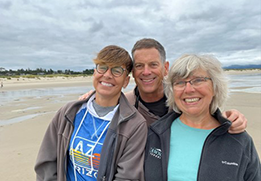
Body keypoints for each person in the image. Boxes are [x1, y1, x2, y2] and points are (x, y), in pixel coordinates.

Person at [35, 45, 148, 181]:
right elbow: (47, 163)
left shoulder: (134, 125)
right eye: (102, 67)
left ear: (126, 81)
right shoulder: (68, 113)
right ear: (95, 72)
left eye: (116, 70)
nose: (107, 75)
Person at [144, 54, 261, 181]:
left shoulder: (239, 141)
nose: (188, 89)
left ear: (215, 87)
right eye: (180, 82)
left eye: (198, 80)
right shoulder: (156, 133)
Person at [80, 38, 248, 133]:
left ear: (165, 68)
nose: (146, 72)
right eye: (139, 66)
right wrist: (94, 97)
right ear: (133, 72)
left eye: (153, 65)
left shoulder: (183, 99)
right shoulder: (124, 104)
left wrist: (232, 118)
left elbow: (208, 113)